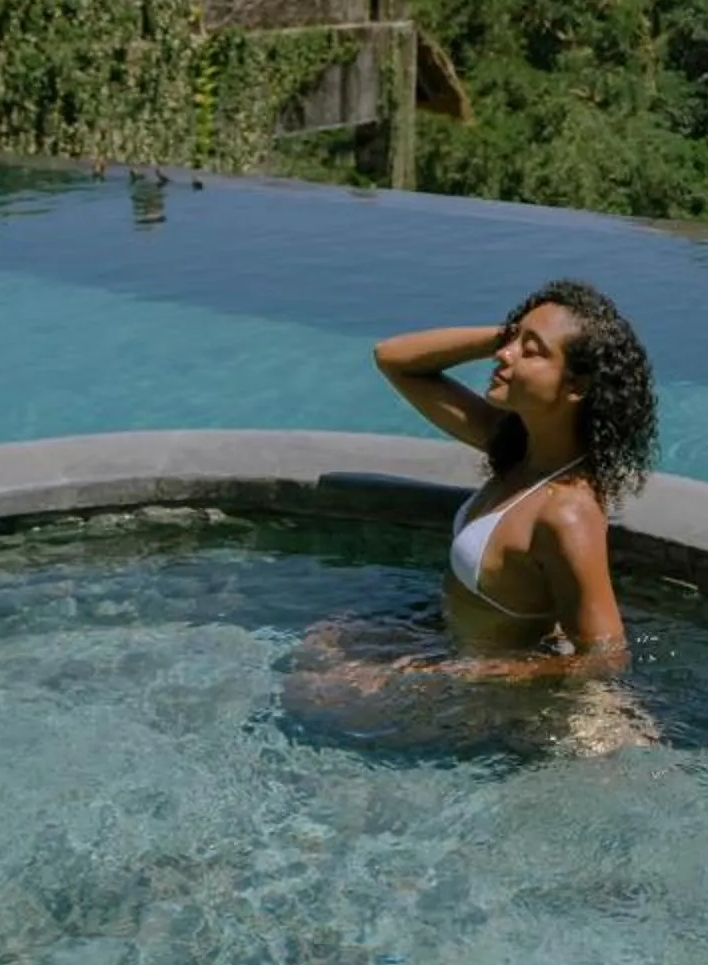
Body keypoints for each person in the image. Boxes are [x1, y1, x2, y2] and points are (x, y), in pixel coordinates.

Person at [279, 282, 659, 755]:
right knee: (318, 645)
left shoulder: (566, 511)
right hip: (450, 648)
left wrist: (485, 673)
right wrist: (508, 334)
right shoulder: (515, 448)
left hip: (487, 692)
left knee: (307, 702)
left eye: (531, 351)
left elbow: (606, 656)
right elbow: (392, 358)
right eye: (510, 341)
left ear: (577, 386)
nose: (504, 355)